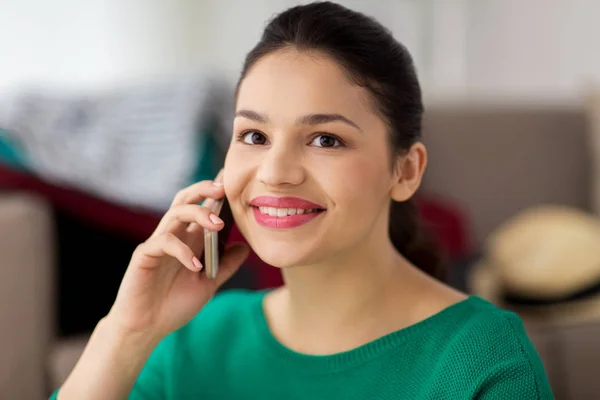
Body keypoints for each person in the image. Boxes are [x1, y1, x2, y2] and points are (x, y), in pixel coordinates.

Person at [52, 2, 554, 399]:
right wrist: (127, 332)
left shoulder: (483, 359)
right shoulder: (191, 340)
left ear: (405, 171)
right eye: (253, 136)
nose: (275, 173)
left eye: (325, 140)